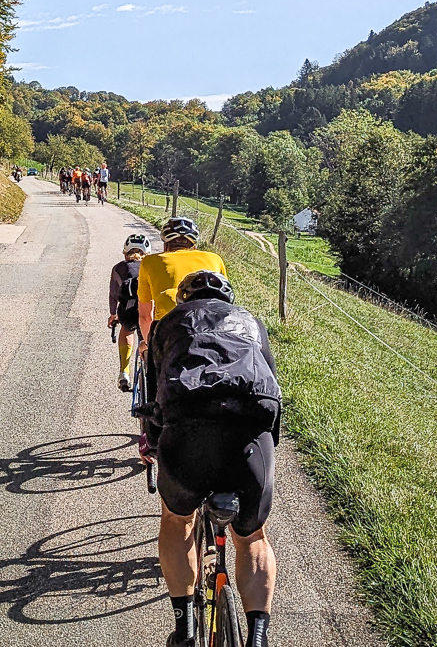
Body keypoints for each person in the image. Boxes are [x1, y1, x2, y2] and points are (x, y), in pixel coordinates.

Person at [144, 269, 280, 647]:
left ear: (184, 300)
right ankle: (257, 637)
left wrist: (154, 446)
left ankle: (185, 628)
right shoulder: (252, 323)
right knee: (252, 537)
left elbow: (155, 394)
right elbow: (272, 389)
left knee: (177, 519)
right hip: (250, 435)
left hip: (189, 431)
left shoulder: (167, 324)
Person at [136, 216, 227, 342]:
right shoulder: (215, 259)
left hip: (169, 332)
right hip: (211, 329)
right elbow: (225, 302)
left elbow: (145, 316)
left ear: (165, 246)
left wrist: (148, 345)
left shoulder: (149, 262)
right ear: (194, 246)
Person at [108, 236, 147, 390]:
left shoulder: (118, 268)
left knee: (126, 329)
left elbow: (113, 294)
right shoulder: (151, 266)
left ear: (125, 253)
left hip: (128, 311)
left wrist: (113, 315)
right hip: (148, 310)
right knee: (148, 336)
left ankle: (124, 372)